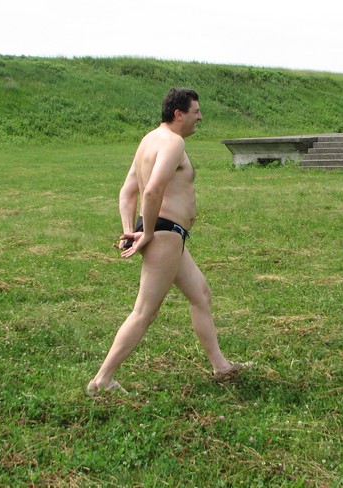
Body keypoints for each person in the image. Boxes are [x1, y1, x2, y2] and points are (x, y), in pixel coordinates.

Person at [87, 88, 245, 395]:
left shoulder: (149, 140)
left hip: (165, 232)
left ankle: (221, 366)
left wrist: (130, 229)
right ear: (179, 114)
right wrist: (146, 233)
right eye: (196, 111)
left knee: (201, 294)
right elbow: (151, 190)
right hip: (164, 233)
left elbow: (127, 192)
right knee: (144, 311)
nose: (200, 117)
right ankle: (102, 380)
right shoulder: (173, 142)